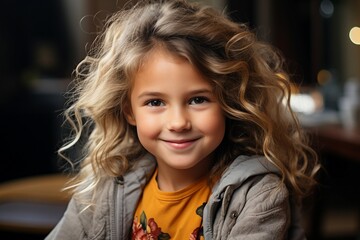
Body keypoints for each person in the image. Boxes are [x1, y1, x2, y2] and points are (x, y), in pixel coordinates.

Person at [46, 0, 320, 239]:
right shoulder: (108, 187)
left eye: (198, 99)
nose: (178, 122)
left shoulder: (259, 196)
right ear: (128, 110)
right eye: (155, 102)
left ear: (229, 100)